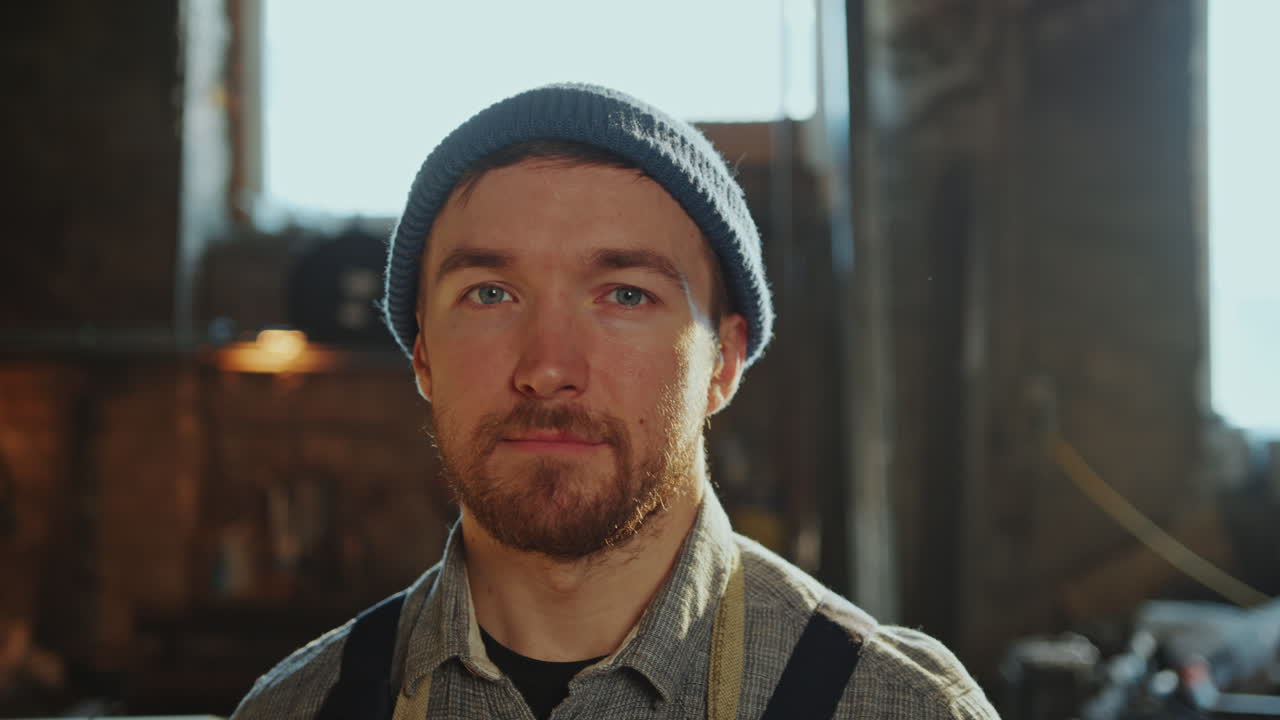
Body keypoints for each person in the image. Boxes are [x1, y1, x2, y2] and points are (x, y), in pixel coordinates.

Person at [231, 83, 997, 720]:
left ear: (724, 362)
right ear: (424, 355)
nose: (549, 368)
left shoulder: (895, 706)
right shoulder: (297, 708)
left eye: (626, 294)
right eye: (490, 293)